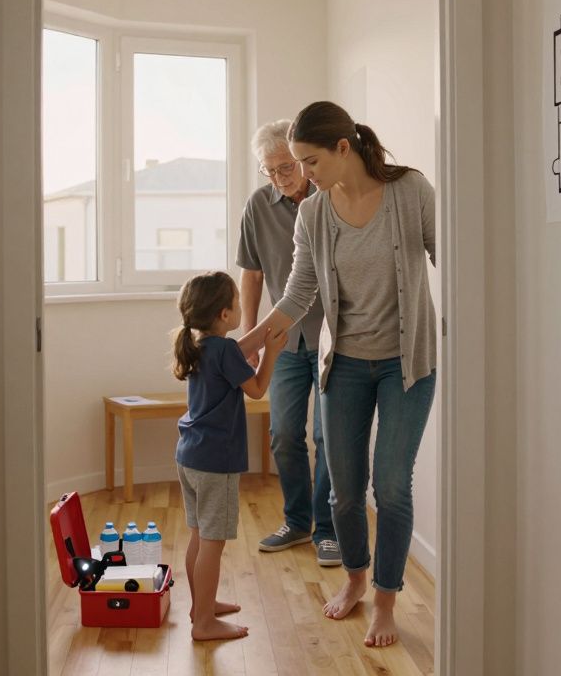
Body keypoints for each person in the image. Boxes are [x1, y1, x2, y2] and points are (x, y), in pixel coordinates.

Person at [239, 101, 437, 648]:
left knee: (392, 486)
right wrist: (248, 344)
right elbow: (300, 291)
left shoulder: (410, 191)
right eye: (294, 165)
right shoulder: (314, 213)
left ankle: (385, 599)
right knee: (345, 494)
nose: (302, 176)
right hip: (344, 364)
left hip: (408, 365)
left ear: (343, 149)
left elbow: (456, 257)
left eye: (309, 162)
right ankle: (354, 579)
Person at [239, 120, 341, 566]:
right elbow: (252, 273)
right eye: (271, 170)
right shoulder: (258, 207)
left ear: (302, 159)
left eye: (286, 167)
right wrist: (251, 337)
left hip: (332, 338)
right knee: (284, 435)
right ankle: (297, 522)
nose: (280, 177)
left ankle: (328, 529)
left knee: (328, 436)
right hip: (282, 340)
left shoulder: (335, 197)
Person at [172, 270, 287, 642]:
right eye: (238, 305)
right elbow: (256, 389)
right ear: (224, 314)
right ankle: (204, 622)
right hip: (215, 462)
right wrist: (271, 353)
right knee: (213, 543)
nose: (241, 311)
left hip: (189, 456)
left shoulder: (201, 346)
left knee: (197, 537)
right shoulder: (223, 350)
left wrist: (255, 349)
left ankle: (199, 606)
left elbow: (234, 367)